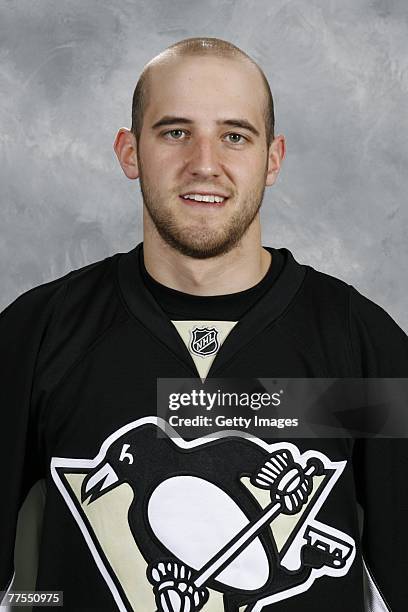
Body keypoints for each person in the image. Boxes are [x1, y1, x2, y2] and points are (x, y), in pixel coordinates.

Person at [1, 37, 407, 612]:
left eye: (234, 136)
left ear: (273, 158)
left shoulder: (360, 345)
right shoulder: (38, 336)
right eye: (174, 132)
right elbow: (24, 593)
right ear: (129, 151)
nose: (205, 163)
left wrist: (285, 479)